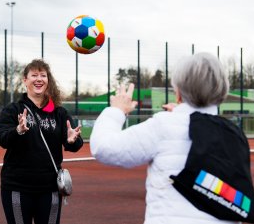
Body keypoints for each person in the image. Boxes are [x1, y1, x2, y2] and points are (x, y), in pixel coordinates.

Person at [90, 53, 241, 224]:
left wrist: (116, 110)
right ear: (222, 89)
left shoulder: (163, 126)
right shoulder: (235, 135)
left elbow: (103, 148)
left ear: (178, 92)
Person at [0, 59, 83, 224]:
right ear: (25, 80)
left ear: (48, 81)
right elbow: (3, 139)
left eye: (43, 75)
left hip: (49, 188)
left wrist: (72, 140)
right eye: (34, 75)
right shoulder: (13, 110)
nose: (39, 79)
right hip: (17, 187)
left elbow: (74, 145)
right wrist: (18, 130)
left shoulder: (59, 113)